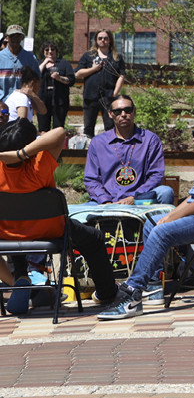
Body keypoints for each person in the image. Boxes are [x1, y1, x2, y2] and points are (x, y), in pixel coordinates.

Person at [98, 111, 194, 320]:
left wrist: (171, 220)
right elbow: (192, 198)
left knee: (162, 232)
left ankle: (131, 293)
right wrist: (169, 214)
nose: (193, 139)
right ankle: (153, 284)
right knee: (152, 223)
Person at [0, 121, 119, 314]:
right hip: (50, 231)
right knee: (94, 239)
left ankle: (19, 280)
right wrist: (22, 154)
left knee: (15, 232)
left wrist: (12, 155)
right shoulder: (39, 165)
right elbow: (60, 132)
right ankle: (107, 293)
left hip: (7, 231)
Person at [84, 94, 174, 206]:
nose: (123, 115)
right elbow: (91, 178)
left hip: (140, 200)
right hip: (106, 202)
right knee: (72, 212)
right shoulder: (98, 142)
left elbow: (156, 175)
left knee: (166, 192)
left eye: (128, 110)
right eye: (117, 111)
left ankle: (157, 223)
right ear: (110, 114)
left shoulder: (150, 140)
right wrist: (105, 201)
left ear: (134, 111)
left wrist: (135, 197)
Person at [75, 30, 127, 137]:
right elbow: (78, 73)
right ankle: (90, 151)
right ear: (96, 40)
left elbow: (122, 75)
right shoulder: (88, 56)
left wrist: (116, 92)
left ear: (110, 40)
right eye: (100, 38)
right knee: (88, 127)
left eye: (105, 38)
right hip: (90, 96)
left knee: (110, 127)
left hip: (109, 96)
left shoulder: (116, 57)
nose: (102, 40)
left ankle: (110, 150)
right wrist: (93, 69)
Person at [37, 42, 75, 132]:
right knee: (43, 128)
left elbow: (71, 80)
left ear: (56, 51)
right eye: (47, 49)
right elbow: (35, 75)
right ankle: (44, 145)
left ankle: (57, 146)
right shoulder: (39, 64)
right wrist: (45, 62)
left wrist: (59, 78)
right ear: (43, 51)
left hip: (60, 100)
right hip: (42, 100)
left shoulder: (64, 64)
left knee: (58, 128)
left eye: (52, 49)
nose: (50, 52)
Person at [0, 25, 40, 103]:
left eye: (18, 36)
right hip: (2, 104)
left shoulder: (31, 58)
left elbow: (37, 81)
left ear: (22, 38)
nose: (15, 39)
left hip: (23, 103)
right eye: (12, 36)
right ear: (7, 38)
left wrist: (31, 94)